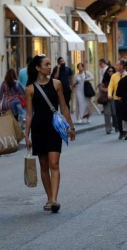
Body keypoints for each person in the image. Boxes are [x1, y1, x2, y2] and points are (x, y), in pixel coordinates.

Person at [25, 55, 76, 213]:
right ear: (38, 68)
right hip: (38, 129)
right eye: (46, 64)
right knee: (44, 165)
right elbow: (29, 114)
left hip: (54, 128)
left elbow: (64, 107)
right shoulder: (30, 89)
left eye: (49, 64)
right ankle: (49, 198)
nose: (49, 67)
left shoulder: (57, 84)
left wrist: (71, 127)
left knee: (54, 163)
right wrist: (26, 135)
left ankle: (54, 199)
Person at [108, 60, 127, 139]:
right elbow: (110, 86)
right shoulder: (114, 76)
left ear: (122, 66)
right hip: (117, 99)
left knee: (126, 116)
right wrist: (109, 94)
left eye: (117, 65)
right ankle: (121, 131)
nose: (116, 66)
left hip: (126, 99)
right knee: (118, 116)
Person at [101, 65, 118, 134]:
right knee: (107, 113)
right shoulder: (105, 79)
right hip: (107, 97)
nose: (110, 73)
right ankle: (108, 128)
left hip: (115, 96)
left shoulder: (116, 78)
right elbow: (101, 87)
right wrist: (105, 89)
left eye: (112, 71)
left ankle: (116, 125)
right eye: (109, 71)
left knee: (114, 112)